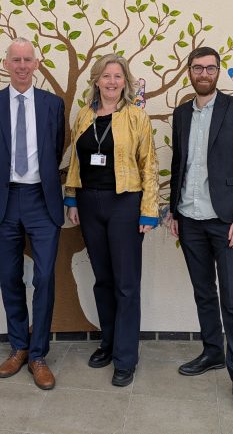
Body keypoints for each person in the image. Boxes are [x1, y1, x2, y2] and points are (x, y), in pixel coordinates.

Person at [168, 46, 233, 419]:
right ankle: (211, 352)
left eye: (210, 68)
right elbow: (179, 163)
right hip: (189, 219)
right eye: (197, 68)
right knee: (203, 291)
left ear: (218, 72)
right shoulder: (180, 113)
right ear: (188, 72)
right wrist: (173, 211)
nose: (203, 73)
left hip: (226, 222)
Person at [0, 37, 65, 390]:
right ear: (6, 64)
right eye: (16, 59)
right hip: (5, 200)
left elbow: (55, 150)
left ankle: (39, 354)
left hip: (43, 200)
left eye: (28, 59)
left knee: (44, 278)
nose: (23, 65)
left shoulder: (52, 104)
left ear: (37, 64)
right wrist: (2, 183)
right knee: (10, 277)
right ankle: (19, 347)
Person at [65, 53, 159, 387]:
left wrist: (149, 209)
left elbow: (149, 164)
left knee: (126, 283)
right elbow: (76, 159)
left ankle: (125, 356)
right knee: (103, 279)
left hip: (125, 204)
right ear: (96, 80)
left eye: (118, 76)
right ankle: (107, 342)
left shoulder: (136, 117)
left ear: (126, 82)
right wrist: (72, 197)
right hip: (90, 204)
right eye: (106, 75)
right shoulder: (84, 115)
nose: (112, 81)